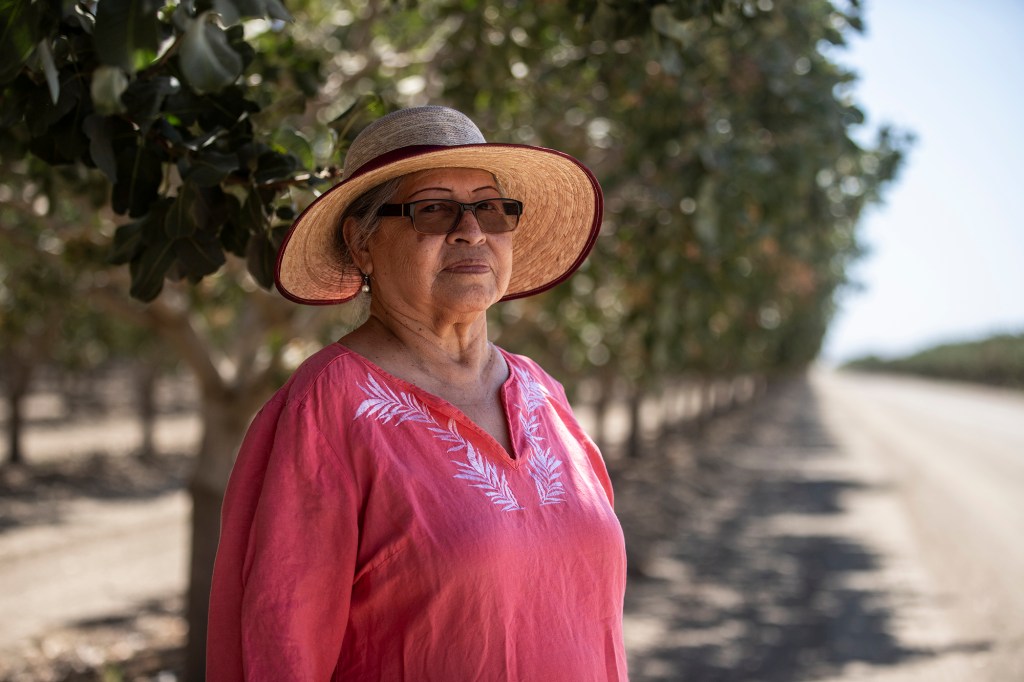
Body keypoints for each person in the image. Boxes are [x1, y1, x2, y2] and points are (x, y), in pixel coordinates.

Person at [206, 105, 628, 680]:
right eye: (433, 209)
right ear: (361, 243)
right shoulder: (327, 408)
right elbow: (282, 649)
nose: (471, 229)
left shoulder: (543, 392)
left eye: (491, 207)